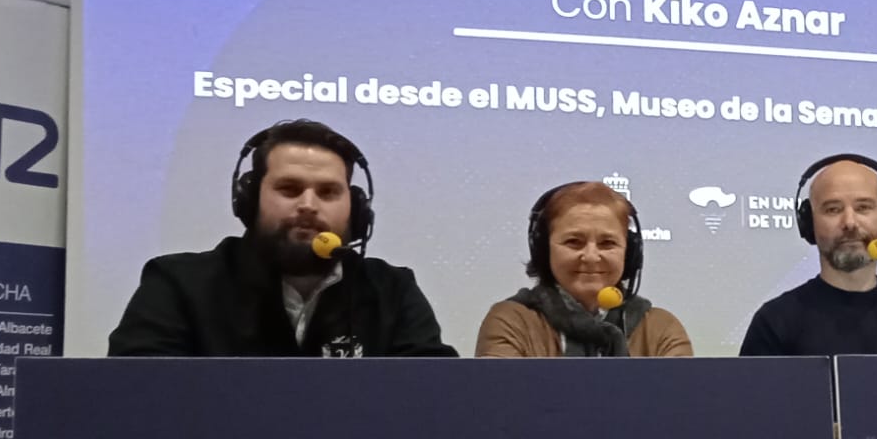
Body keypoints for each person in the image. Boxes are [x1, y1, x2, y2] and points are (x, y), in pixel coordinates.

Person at [108, 119, 455, 357]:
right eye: (289, 189)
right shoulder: (179, 285)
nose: (308, 205)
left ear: (356, 208)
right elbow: (138, 401)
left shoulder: (391, 291)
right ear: (249, 199)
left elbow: (435, 402)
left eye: (328, 192)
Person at [475, 182, 692, 357]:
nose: (590, 257)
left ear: (629, 252)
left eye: (607, 243)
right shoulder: (511, 321)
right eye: (574, 242)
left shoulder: (661, 328)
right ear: (544, 250)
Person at [739, 153, 877, 355]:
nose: (850, 222)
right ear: (809, 224)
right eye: (833, 209)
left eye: (863, 208)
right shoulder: (774, 322)